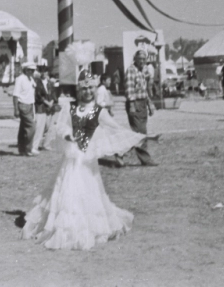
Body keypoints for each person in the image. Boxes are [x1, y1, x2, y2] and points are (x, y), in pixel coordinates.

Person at [21, 65, 148, 250]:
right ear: (78, 90)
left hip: (88, 162)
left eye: (91, 88)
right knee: (67, 191)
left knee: (88, 192)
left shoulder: (99, 111)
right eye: (84, 88)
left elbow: (116, 129)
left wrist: (144, 137)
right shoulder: (69, 107)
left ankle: (86, 226)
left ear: (94, 89)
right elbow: (60, 127)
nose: (88, 92)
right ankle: (65, 227)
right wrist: (67, 135)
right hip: (71, 159)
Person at [122, 50, 157, 166]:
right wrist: (132, 105)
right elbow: (129, 89)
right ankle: (145, 159)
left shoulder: (143, 71)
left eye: (144, 59)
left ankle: (120, 152)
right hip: (135, 103)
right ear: (135, 59)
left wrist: (149, 104)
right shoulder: (131, 70)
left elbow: (144, 90)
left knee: (139, 133)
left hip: (142, 103)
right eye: (140, 58)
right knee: (140, 133)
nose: (142, 61)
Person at [12, 62, 37, 156]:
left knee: (23, 129)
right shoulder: (20, 79)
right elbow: (15, 95)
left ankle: (21, 149)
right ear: (25, 70)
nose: (32, 72)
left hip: (30, 105)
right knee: (32, 127)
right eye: (30, 70)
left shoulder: (31, 79)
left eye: (33, 70)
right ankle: (28, 149)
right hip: (23, 105)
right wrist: (16, 109)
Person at [31, 64, 57, 154]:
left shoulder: (50, 83)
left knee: (50, 128)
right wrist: (47, 103)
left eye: (45, 71)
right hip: (41, 108)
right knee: (40, 128)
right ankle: (35, 146)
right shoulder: (37, 83)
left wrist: (52, 102)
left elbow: (54, 94)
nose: (44, 73)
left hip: (50, 108)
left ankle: (46, 144)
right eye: (42, 71)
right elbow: (38, 95)